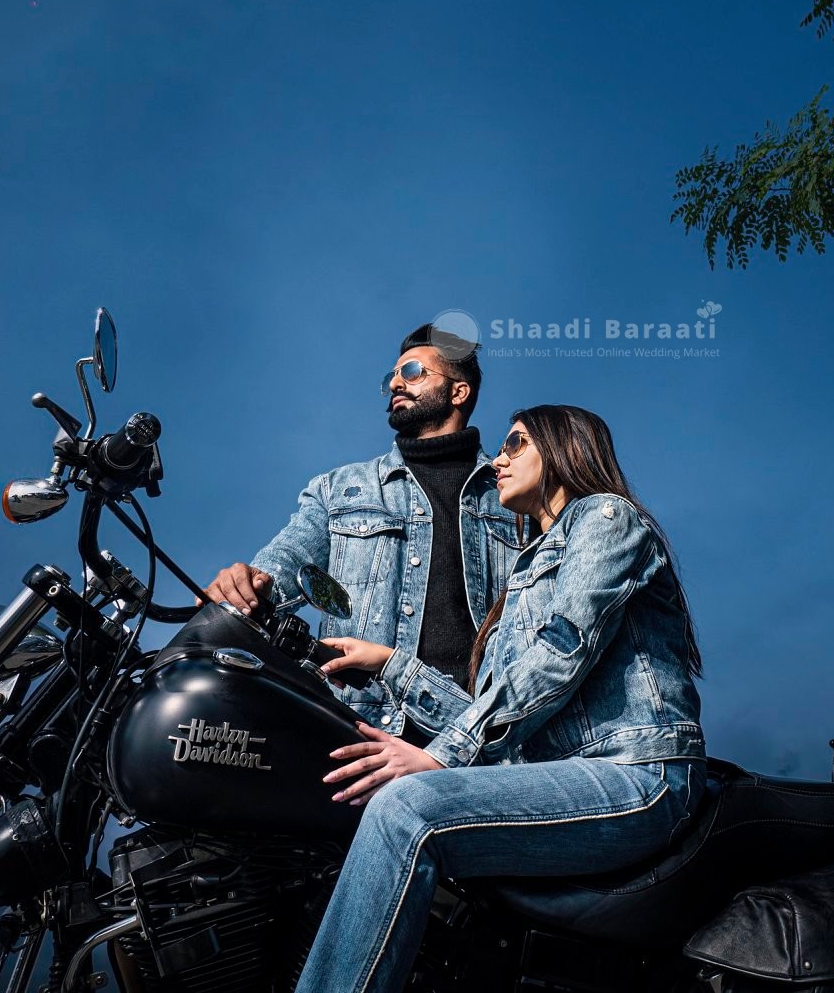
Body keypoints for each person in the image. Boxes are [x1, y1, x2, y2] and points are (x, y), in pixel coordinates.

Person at [293, 404, 707, 993]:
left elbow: (563, 648)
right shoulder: (525, 571)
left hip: (636, 774)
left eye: (515, 444)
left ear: (567, 449)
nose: (500, 461)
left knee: (407, 808)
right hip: (572, 775)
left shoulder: (607, 519)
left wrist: (439, 758)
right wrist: (389, 665)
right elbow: (490, 705)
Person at [206, 324, 520, 739]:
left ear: (458, 392)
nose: (394, 383)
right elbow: (280, 567)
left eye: (411, 372)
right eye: (390, 376)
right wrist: (244, 584)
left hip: (475, 732)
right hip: (353, 724)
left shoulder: (513, 495)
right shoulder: (339, 489)